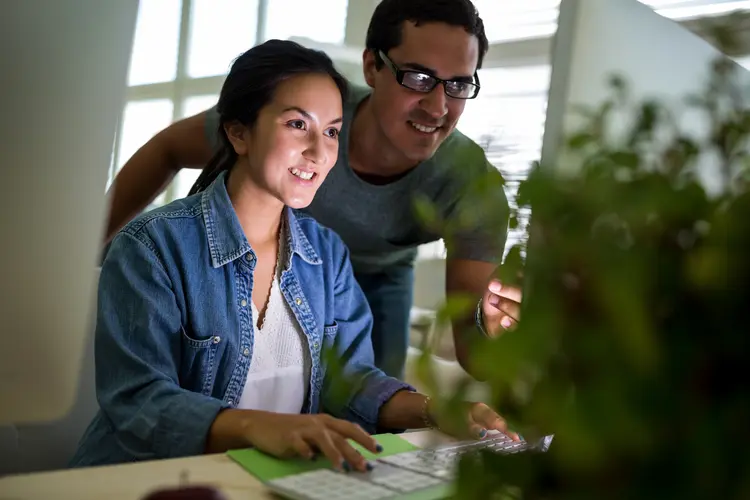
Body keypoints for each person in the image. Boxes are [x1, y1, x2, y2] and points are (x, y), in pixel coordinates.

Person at [70, 39, 516, 470]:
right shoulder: (152, 247)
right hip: (145, 481)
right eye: (297, 124)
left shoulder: (326, 255)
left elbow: (351, 383)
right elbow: (138, 402)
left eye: (332, 132)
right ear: (238, 132)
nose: (320, 152)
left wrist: (436, 410)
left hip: (265, 481)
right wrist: (259, 427)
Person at [102, 0, 523, 380]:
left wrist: (498, 324)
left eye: (458, 85)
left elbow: (476, 352)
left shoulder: (473, 186)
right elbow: (168, 148)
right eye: (417, 78)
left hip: (381, 275)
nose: (438, 107)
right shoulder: (310, 115)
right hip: (274, 256)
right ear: (373, 67)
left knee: (375, 404)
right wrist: (89, 246)